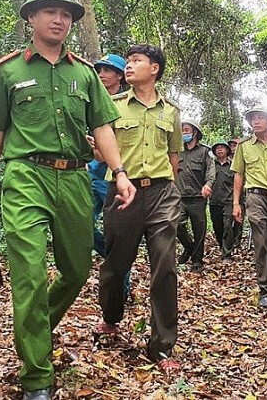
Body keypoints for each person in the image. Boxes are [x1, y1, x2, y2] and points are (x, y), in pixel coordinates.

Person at [0, 0, 136, 400]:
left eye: (66, 13)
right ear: (31, 17)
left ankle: (34, 328)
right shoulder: (8, 71)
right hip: (26, 176)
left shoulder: (84, 73)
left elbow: (102, 126)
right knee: (27, 275)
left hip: (77, 178)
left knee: (78, 270)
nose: (59, 19)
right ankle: (36, 376)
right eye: (50, 11)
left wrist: (119, 172)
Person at [97, 44, 184, 372]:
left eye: (136, 61)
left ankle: (162, 347)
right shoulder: (113, 105)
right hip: (122, 192)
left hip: (162, 193)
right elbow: (100, 152)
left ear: (155, 69)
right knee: (116, 265)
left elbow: (174, 155)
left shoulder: (171, 112)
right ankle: (111, 316)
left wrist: (171, 189)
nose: (128, 67)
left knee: (165, 268)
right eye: (129, 61)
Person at [231, 106, 267, 309]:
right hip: (255, 197)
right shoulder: (244, 146)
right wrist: (236, 203)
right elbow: (238, 174)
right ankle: (264, 289)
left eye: (260, 118)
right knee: (261, 242)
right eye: (253, 118)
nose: (256, 121)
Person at [88, 54, 131, 297]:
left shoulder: (125, 105)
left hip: (114, 177)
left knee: (116, 233)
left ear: (120, 76)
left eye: (108, 70)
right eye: (100, 70)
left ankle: (122, 286)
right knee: (83, 226)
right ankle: (118, 263)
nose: (102, 74)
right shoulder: (88, 99)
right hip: (89, 173)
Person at [176, 121, 215, 272]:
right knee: (176, 224)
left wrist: (208, 185)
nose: (184, 132)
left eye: (186, 130)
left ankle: (197, 260)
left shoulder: (205, 152)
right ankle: (189, 247)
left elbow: (211, 172)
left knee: (199, 229)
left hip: (197, 197)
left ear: (195, 133)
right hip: (179, 197)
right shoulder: (177, 150)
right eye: (182, 130)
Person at [209, 140, 235, 262]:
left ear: (227, 150)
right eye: (217, 148)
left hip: (228, 201)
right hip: (214, 201)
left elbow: (237, 183)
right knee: (217, 226)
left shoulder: (233, 166)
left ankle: (227, 254)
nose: (220, 150)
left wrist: (238, 202)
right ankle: (222, 245)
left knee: (228, 226)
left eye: (222, 148)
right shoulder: (211, 165)